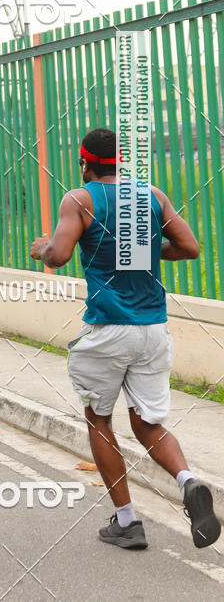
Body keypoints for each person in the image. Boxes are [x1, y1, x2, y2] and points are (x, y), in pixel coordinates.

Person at [30, 127, 221, 551]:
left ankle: (128, 521)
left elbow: (59, 256)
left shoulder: (79, 199)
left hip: (107, 329)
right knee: (148, 424)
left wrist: (43, 248)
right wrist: (147, 252)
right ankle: (187, 482)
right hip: (153, 330)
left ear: (85, 163)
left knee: (99, 420)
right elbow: (189, 247)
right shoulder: (152, 196)